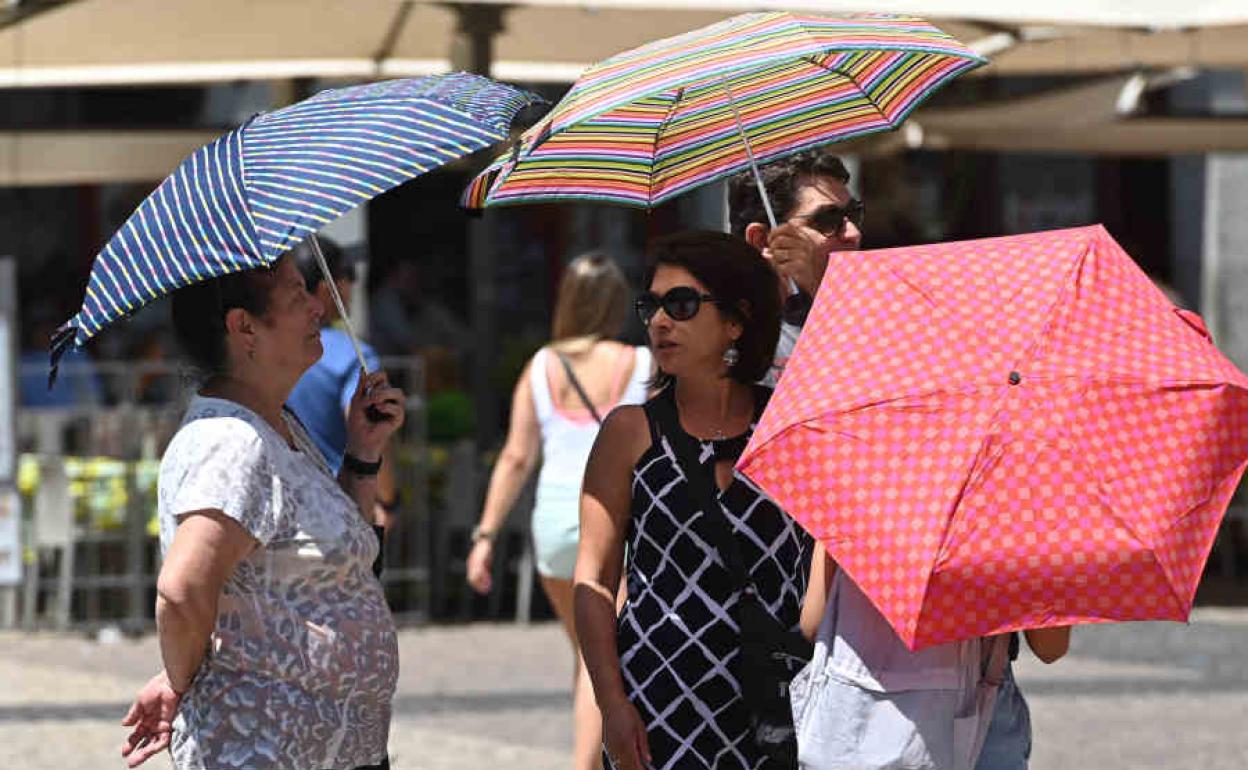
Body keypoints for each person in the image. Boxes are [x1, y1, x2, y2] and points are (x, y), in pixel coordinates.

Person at [730, 153, 1071, 769]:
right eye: (830, 219)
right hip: (823, 666)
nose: (854, 232)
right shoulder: (744, 353)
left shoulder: (892, 323)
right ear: (765, 240)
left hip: (926, 689)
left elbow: (874, 406)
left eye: (853, 213)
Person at [118, 254, 405, 770]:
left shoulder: (277, 425)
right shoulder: (231, 441)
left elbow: (334, 555)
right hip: (267, 750)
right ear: (243, 326)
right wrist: (178, 680)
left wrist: (362, 452)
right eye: (298, 296)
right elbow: (183, 588)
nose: (319, 307)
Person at [575, 231, 814, 770]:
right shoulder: (629, 431)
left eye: (681, 305)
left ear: (736, 319)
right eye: (651, 305)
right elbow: (592, 580)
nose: (660, 321)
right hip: (660, 702)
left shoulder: (788, 425)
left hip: (779, 697)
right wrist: (611, 705)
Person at [466, 252, 652, 770]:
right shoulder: (640, 363)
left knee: (586, 656)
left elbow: (516, 456)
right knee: (607, 663)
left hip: (553, 524)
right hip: (616, 523)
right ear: (617, 304)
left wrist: (485, 536)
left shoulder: (542, 366)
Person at [286, 237, 398, 532]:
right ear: (327, 288)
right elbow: (371, 431)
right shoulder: (352, 355)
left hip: (285, 508)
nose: (352, 289)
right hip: (341, 506)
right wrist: (387, 500)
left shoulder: (268, 354)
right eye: (348, 277)